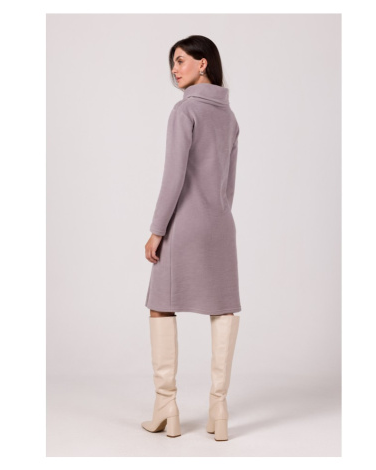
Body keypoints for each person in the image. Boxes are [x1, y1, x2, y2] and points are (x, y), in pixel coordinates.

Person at [142, 35, 241, 441]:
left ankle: (167, 406)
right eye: (173, 62)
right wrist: (217, 213)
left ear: (203, 63)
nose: (174, 68)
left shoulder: (185, 111)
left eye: (181, 60)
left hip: (183, 226)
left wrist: (157, 230)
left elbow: (174, 176)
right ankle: (219, 408)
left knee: (160, 305)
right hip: (220, 225)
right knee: (223, 308)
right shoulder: (229, 117)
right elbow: (228, 185)